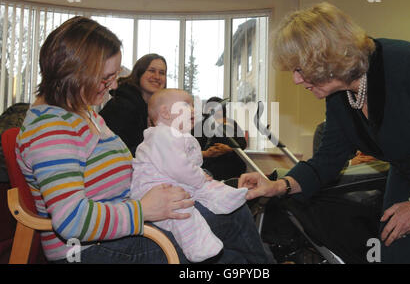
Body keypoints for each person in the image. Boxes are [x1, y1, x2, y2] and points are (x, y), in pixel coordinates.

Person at [16, 16, 269, 264]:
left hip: (119, 232)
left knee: (230, 249)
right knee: (234, 215)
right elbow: (72, 219)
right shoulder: (51, 128)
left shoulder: (85, 114)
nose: (114, 85)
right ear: (74, 72)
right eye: (107, 77)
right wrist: (145, 209)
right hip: (90, 250)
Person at [238, 2, 410, 263]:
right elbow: (329, 158)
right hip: (407, 175)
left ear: (326, 57)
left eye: (299, 69)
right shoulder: (340, 93)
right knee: (396, 250)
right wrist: (278, 186)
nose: (295, 79)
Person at [131, 89, 255, 262]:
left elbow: (189, 164)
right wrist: (200, 177)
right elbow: (178, 167)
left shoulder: (180, 136)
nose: (193, 110)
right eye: (186, 105)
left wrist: (200, 176)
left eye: (193, 106)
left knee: (209, 186)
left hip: (178, 182)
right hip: (155, 189)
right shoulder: (161, 134)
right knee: (185, 213)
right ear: (166, 112)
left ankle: (227, 198)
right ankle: (199, 247)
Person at [99, 53, 167, 156]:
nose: (157, 77)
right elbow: (115, 152)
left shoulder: (157, 110)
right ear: (139, 73)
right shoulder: (120, 106)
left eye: (162, 73)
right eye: (151, 71)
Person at [193, 97, 248, 180]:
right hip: (209, 164)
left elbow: (243, 144)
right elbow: (193, 150)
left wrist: (229, 149)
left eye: (218, 109)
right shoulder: (198, 127)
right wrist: (207, 152)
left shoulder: (231, 123)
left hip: (232, 164)